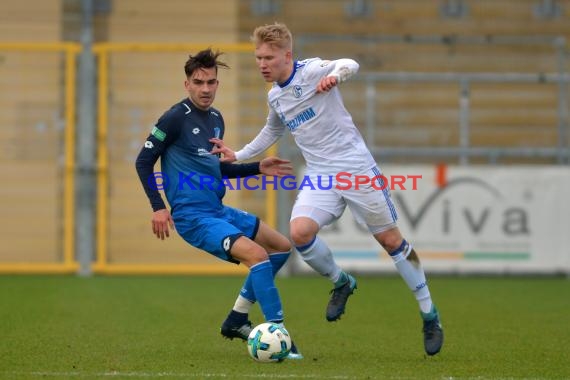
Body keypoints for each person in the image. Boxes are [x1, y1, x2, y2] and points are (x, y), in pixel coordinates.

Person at [210, 23, 444, 356]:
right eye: (258, 57)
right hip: (320, 175)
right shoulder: (275, 96)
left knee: (391, 241)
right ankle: (341, 282)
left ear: (287, 55)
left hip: (356, 170)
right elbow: (271, 131)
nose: (262, 64)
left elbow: (349, 63)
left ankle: (429, 316)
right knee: (300, 233)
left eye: (269, 57)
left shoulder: (312, 71)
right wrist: (239, 154)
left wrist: (337, 76)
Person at [135, 48, 302, 359]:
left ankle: (237, 318)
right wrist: (158, 207)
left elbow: (217, 168)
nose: (206, 89)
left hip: (217, 210)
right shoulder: (174, 118)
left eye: (211, 82)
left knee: (280, 246)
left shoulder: (215, 119)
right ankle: (279, 333)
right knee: (257, 255)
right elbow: (143, 161)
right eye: (199, 82)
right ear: (187, 84)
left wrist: (256, 167)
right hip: (192, 217)